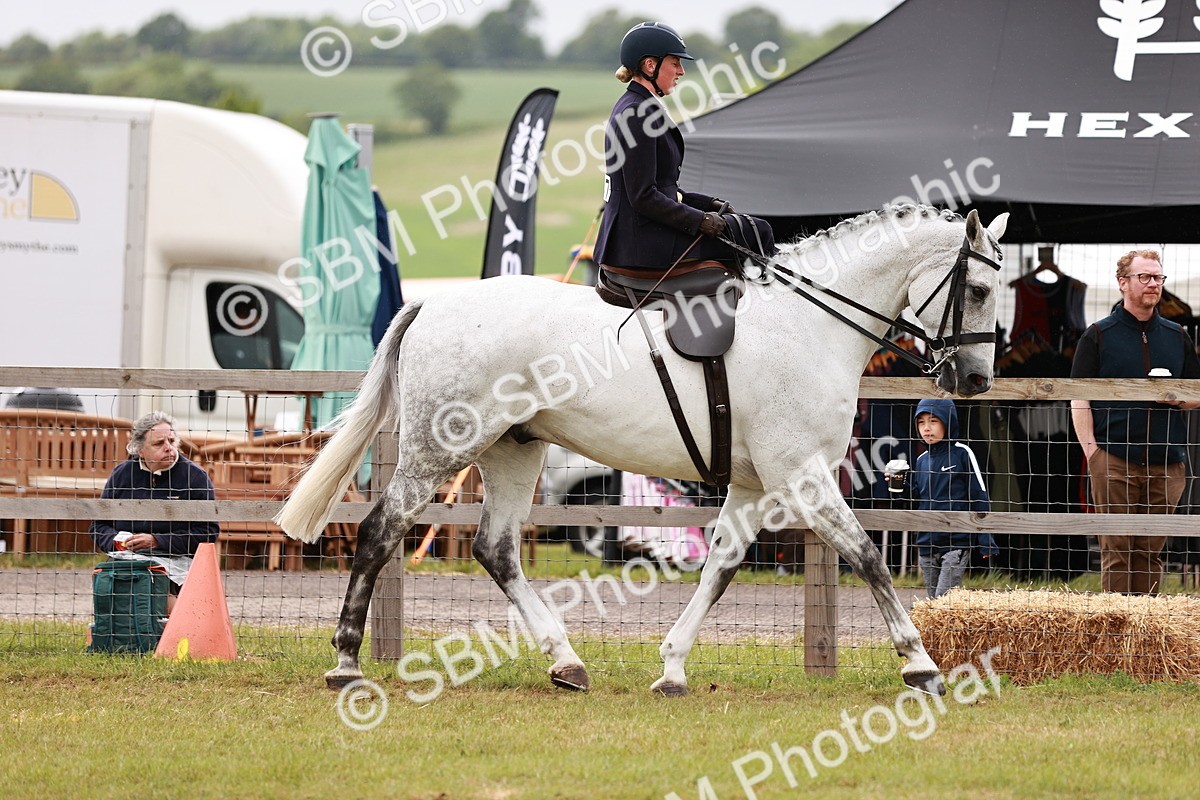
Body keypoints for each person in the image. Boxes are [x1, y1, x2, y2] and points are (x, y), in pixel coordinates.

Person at [592, 21, 775, 273]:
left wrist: (708, 203)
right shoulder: (635, 113)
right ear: (650, 65)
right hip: (640, 244)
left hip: (644, 232)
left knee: (751, 227)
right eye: (675, 63)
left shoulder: (641, 105)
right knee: (758, 232)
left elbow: (666, 188)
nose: (681, 71)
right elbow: (643, 196)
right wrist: (700, 221)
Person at [1070, 250, 1200, 595]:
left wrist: (1175, 397)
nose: (1154, 284)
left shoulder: (1177, 335)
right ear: (1123, 283)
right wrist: (1093, 453)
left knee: (1151, 552)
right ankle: (1115, 636)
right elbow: (1077, 397)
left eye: (1158, 277)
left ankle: (1146, 635)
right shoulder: (1097, 335)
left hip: (1168, 463)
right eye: (1145, 277)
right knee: (1116, 551)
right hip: (1113, 458)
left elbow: (1196, 393)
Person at [89, 411, 218, 612]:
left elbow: (208, 533)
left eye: (172, 441)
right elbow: (98, 526)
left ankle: (178, 633)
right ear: (140, 450)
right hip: (126, 558)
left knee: (153, 583)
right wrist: (116, 541)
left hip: (176, 559)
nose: (168, 448)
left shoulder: (195, 477)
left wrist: (157, 540)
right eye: (159, 443)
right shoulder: (122, 475)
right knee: (111, 581)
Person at [888, 398, 998, 599]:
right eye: (921, 423)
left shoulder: (963, 453)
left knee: (944, 599)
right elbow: (915, 496)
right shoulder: (921, 460)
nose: (926, 428)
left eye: (933, 421)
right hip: (926, 542)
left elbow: (979, 494)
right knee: (932, 601)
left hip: (956, 541)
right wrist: (897, 485)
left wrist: (985, 539)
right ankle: (934, 632)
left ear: (948, 421)